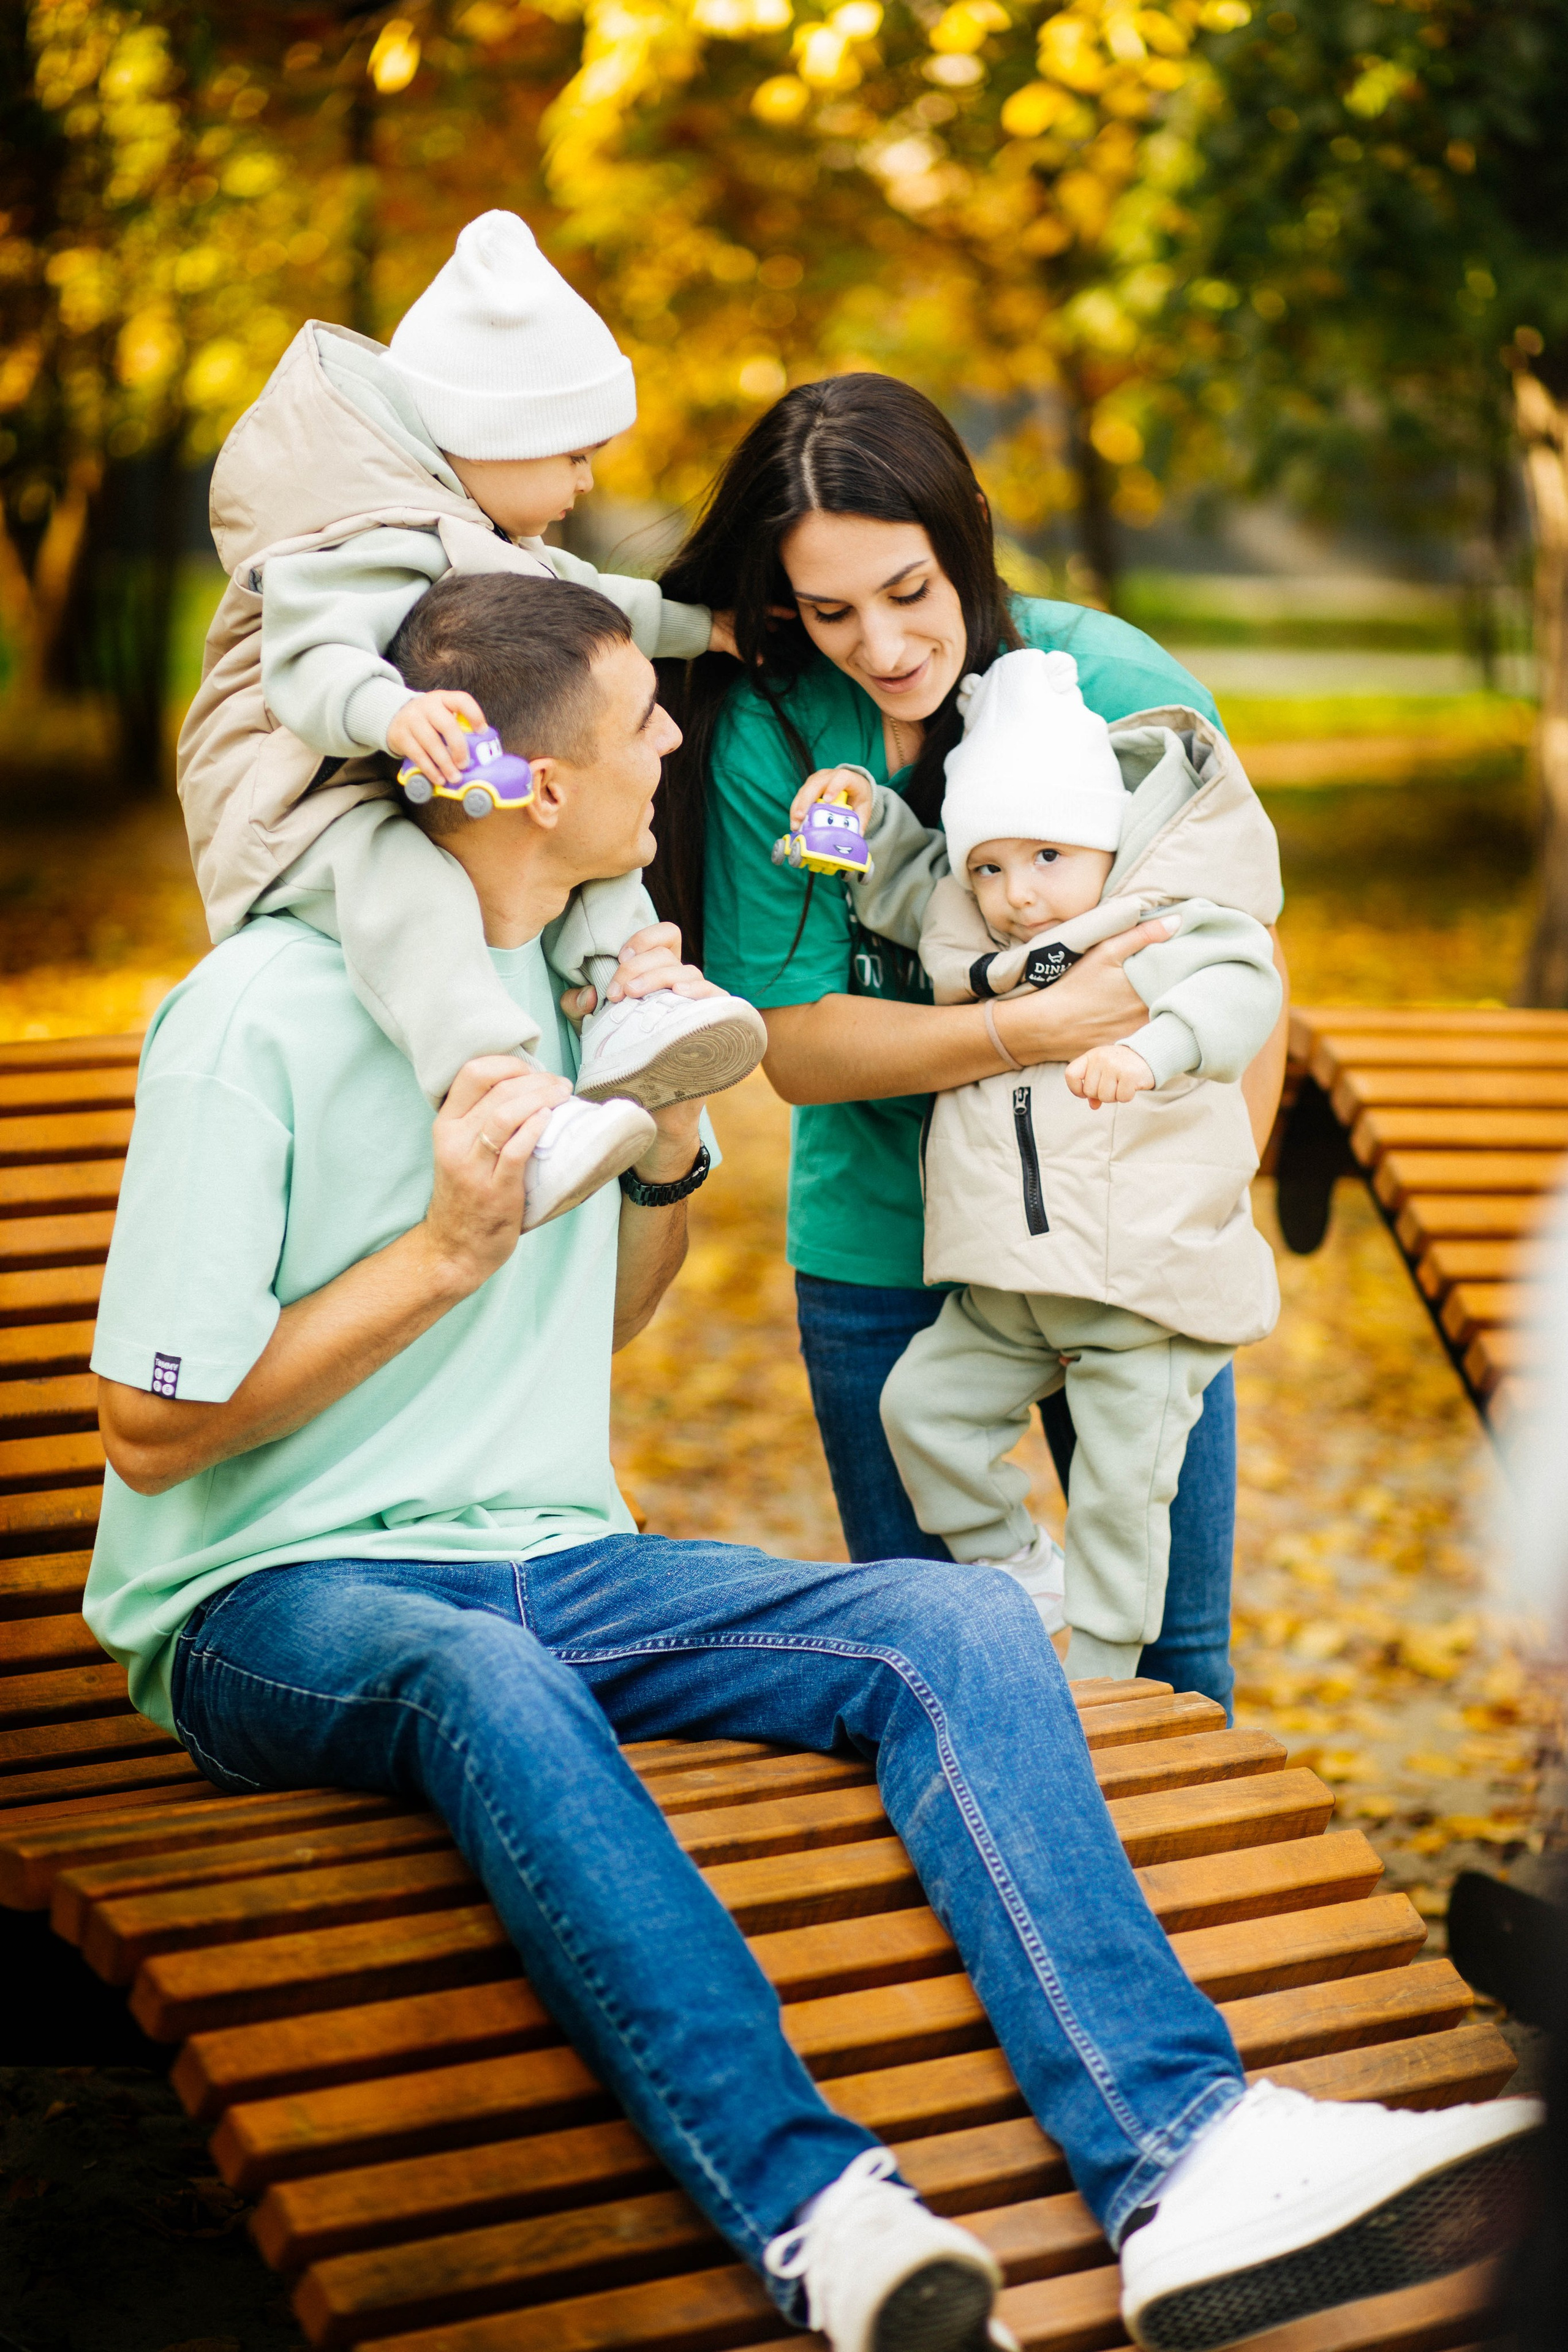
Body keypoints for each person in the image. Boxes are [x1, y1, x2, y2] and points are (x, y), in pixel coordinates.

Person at [88, 571, 1540, 2352]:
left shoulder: (567, 989)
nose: (678, 741)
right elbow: (153, 1431)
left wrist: (666, 1152)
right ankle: (817, 2211)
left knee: (956, 1629)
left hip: (546, 1549)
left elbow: (605, 1320)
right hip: (268, 1597)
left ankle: (1188, 2158)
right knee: (487, 1678)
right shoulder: (251, 1018)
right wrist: (447, 1251)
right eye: (643, 723)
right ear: (534, 786)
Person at [654, 374, 1280, 1714]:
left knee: (1171, 1666)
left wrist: (1190, 1220)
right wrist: (1033, 1028)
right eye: (828, 612)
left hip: (1133, 1250)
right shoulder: (770, 729)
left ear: (968, 535)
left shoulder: (1117, 690)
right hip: (887, 1249)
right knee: (945, 1671)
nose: (879, 646)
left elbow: (1235, 982)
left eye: (907, 591)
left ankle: (1166, 1925)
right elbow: (803, 1048)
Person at [177, 206, 764, 1229]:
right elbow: (305, 669)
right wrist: (389, 713)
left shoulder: (480, 532)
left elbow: (589, 606)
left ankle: (629, 1005)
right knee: (409, 886)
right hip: (298, 793)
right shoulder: (358, 535)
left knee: (587, 814)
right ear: (493, 438)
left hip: (407, 759)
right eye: (573, 454)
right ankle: (498, 1098)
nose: (586, 479)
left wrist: (705, 629)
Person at [787, 645, 1282, 1682]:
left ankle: (1105, 1673)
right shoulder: (974, 921)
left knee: (1121, 1495)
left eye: (1049, 859)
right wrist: (860, 810)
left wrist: (1150, 1052)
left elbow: (1241, 990)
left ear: (1105, 841)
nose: (1017, 896)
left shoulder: (1163, 915)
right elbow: (911, 872)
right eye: (992, 865)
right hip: (1007, 1290)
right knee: (919, 1411)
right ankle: (1019, 1566)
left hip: (1134, 1292)